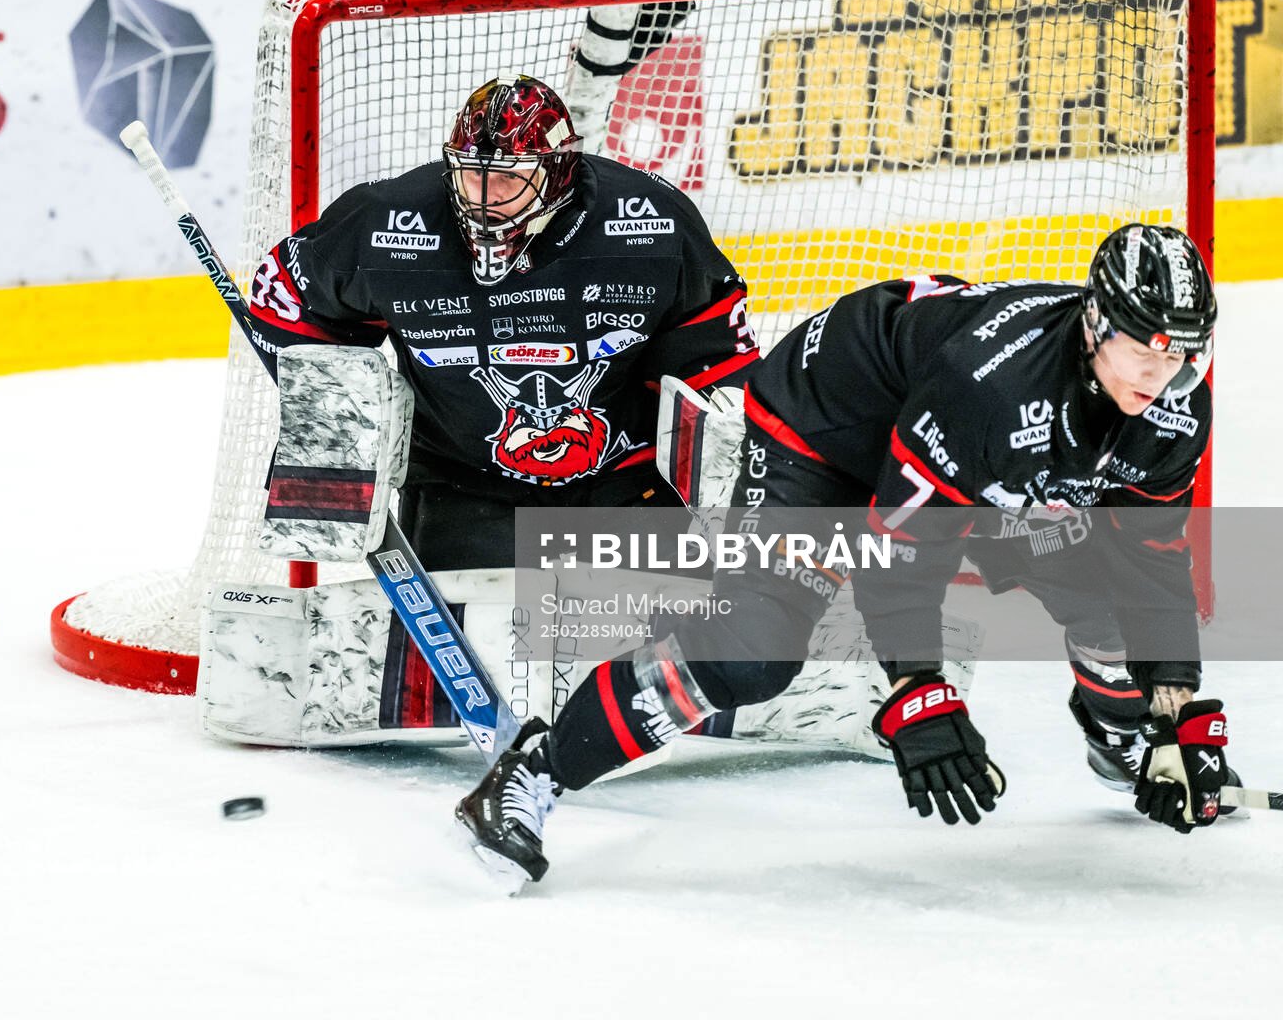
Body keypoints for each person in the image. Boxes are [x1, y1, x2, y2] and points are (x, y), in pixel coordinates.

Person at [458, 224, 1235, 885]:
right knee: (752, 653)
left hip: (961, 451)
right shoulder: (991, 389)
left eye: (1180, 357)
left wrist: (1177, 711)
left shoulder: (1172, 400)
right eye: (1143, 352)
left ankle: (1125, 740)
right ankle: (538, 766)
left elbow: (1152, 560)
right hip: (826, 431)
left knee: (1108, 584)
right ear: (1096, 325)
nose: (1159, 376)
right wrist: (920, 694)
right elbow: (900, 555)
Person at [242, 71, 758, 572]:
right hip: (460, 485)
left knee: (632, 649)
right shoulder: (389, 222)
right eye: (471, 174)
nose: (483, 198)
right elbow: (286, 292)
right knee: (484, 654)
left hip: (627, 483)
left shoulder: (650, 219)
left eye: (509, 177)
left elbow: (714, 357)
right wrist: (332, 413)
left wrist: (736, 481)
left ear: (557, 173)